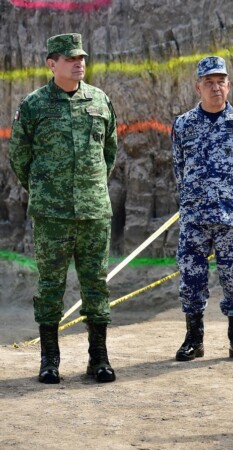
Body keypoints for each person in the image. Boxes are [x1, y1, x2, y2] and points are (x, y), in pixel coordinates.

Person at [9, 33, 119, 384]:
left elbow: (109, 154)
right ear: (51, 63)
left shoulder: (100, 101)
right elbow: (19, 157)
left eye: (82, 57)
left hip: (93, 212)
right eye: (70, 58)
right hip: (52, 214)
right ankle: (49, 360)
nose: (79, 63)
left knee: (96, 284)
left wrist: (90, 188)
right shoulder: (34, 105)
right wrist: (44, 190)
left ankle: (98, 359)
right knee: (51, 285)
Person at [171, 56, 233, 363]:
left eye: (220, 82)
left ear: (228, 85)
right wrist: (194, 200)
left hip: (232, 218)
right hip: (195, 218)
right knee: (191, 279)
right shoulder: (184, 125)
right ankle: (193, 339)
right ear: (198, 86)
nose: (215, 88)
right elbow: (178, 169)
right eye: (208, 83)